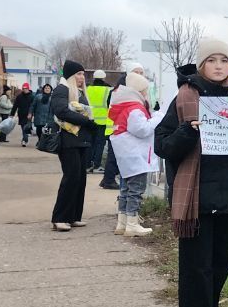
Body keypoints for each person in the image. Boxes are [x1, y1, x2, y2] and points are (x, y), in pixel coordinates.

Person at [154, 39, 228, 307]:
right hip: (196, 202)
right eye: (211, 60)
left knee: (219, 267)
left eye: (223, 60)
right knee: (196, 271)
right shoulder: (185, 96)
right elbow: (162, 145)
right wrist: (188, 131)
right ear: (201, 65)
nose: (218, 66)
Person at [109, 64, 160, 238]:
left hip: (126, 156)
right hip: (135, 157)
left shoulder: (124, 106)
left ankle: (122, 223)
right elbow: (142, 130)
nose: (146, 94)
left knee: (125, 190)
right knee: (135, 190)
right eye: (144, 91)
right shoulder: (135, 108)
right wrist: (157, 118)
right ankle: (132, 223)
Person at [49, 61, 98, 232]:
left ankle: (73, 216)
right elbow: (61, 111)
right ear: (70, 75)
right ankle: (60, 218)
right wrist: (87, 122)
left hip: (81, 140)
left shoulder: (80, 92)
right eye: (78, 74)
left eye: (83, 74)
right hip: (68, 140)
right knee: (71, 178)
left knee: (80, 179)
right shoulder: (62, 90)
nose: (81, 77)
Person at [85, 69, 113, 173]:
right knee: (100, 144)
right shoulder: (108, 90)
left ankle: (88, 165)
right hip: (102, 121)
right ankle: (96, 166)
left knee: (90, 143)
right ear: (104, 78)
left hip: (89, 120)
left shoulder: (88, 89)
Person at [12, 83, 35, 147]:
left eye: (26, 88)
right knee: (23, 128)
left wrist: (32, 113)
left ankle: (24, 140)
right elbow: (15, 105)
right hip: (21, 115)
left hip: (29, 115)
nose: (25, 90)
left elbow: (33, 106)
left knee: (26, 128)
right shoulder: (19, 96)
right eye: (23, 88)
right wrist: (12, 114)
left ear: (28, 89)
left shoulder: (32, 96)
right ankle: (25, 140)